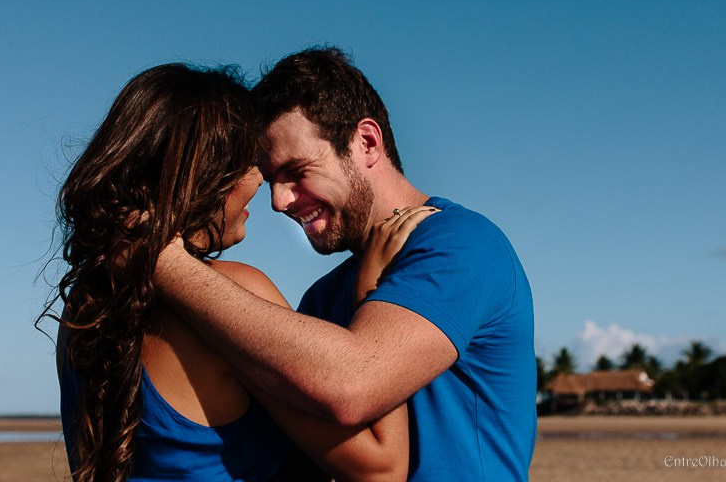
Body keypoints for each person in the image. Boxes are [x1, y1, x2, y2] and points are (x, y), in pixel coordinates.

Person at [153, 48, 537, 481]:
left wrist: (162, 262)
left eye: (296, 170)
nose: (279, 202)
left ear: (366, 142)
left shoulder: (461, 245)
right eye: (270, 179)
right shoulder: (323, 296)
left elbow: (354, 386)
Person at [39, 63, 432, 482]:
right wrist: (373, 288)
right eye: (253, 164)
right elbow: (381, 467)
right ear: (205, 174)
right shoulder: (235, 290)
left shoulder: (82, 311)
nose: (264, 186)